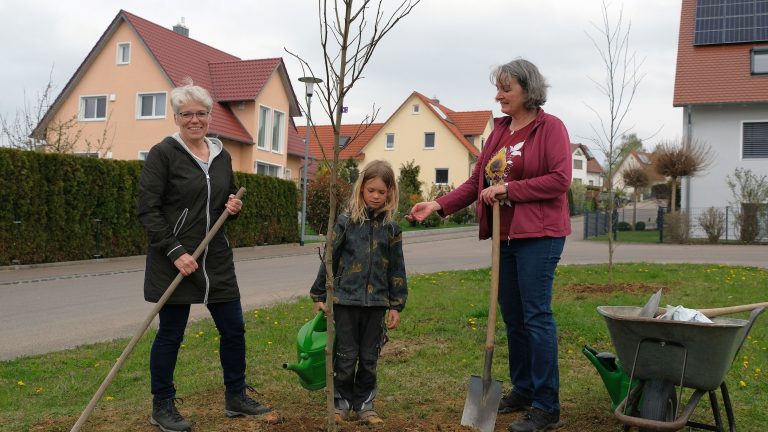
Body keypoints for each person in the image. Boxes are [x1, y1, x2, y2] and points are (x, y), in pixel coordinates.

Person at [407, 58, 571, 432]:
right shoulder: (498, 133)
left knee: (535, 316)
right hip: (505, 237)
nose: (498, 95)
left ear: (528, 90)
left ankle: (547, 406)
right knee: (513, 316)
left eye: (506, 88)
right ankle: (525, 389)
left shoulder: (551, 128)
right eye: (497, 88)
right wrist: (438, 204)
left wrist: (509, 189)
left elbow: (560, 179)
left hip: (540, 236)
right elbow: (476, 182)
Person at [138, 79, 271, 432]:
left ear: (210, 116)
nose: (194, 120)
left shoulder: (221, 154)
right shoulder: (163, 154)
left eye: (201, 113)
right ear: (176, 117)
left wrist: (233, 206)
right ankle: (162, 405)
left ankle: (236, 396)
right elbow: (148, 211)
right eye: (186, 114)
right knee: (171, 334)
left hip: (215, 258)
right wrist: (175, 250)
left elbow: (219, 202)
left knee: (234, 328)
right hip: (176, 259)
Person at [310, 160, 408, 426]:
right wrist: (319, 296)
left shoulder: (392, 229)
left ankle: (365, 404)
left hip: (377, 303)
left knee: (369, 356)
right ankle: (340, 402)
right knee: (345, 354)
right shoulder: (346, 223)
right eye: (371, 190)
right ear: (361, 189)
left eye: (381, 192)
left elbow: (397, 268)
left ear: (390, 193)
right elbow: (329, 259)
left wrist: (396, 305)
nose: (376, 196)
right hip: (345, 301)